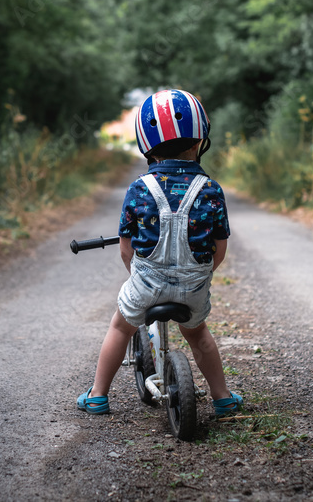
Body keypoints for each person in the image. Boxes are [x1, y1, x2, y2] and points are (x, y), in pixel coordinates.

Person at [77, 89, 243, 416]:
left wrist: (138, 275)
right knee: (199, 337)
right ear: (199, 142)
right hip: (193, 287)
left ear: (145, 146)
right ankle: (222, 397)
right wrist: (200, 275)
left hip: (146, 285)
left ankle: (97, 395)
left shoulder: (139, 189)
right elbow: (219, 249)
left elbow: (127, 248)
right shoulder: (210, 190)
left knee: (120, 327)